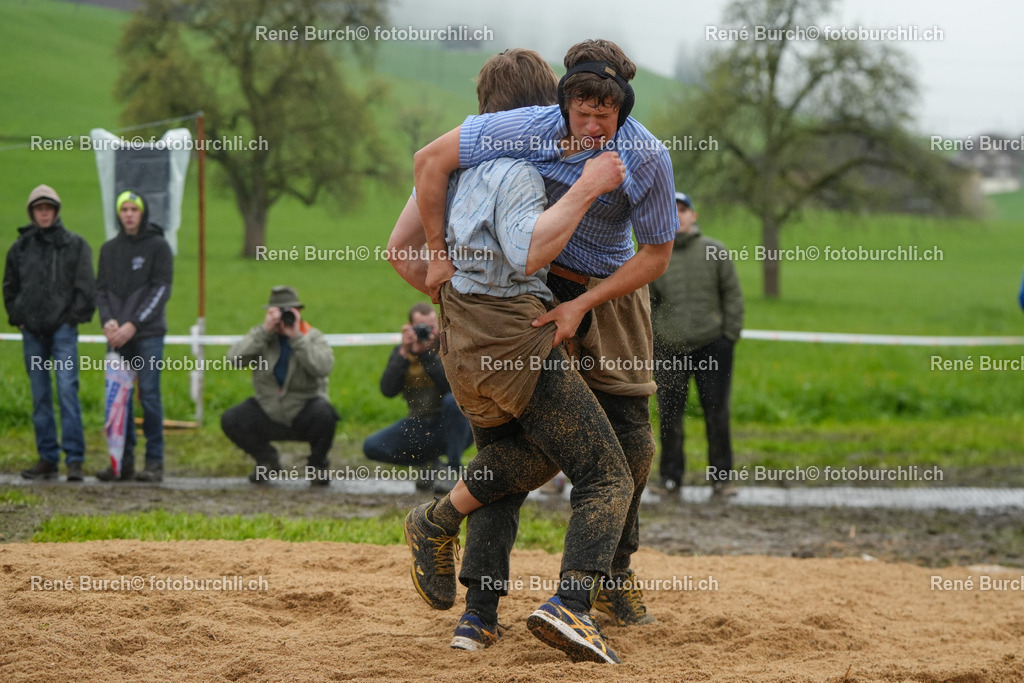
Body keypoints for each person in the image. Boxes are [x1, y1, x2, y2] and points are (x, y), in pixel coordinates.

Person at [396, 38, 678, 636]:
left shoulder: (646, 155)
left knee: (630, 445)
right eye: (580, 104)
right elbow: (424, 180)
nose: (591, 119)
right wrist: (444, 269)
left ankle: (608, 577)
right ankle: (485, 609)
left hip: (607, 292)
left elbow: (656, 256)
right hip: (529, 305)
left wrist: (579, 304)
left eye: (606, 108)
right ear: (560, 97)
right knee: (556, 453)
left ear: (623, 106)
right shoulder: (518, 131)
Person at [650, 192, 744, 498]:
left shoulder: (715, 251)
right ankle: (670, 478)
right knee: (669, 415)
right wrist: (654, 340)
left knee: (717, 413)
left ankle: (721, 479)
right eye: (671, 211)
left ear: (694, 215)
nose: (677, 216)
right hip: (668, 348)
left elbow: (732, 296)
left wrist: (729, 336)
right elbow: (645, 303)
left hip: (712, 345)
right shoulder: (654, 254)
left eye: (683, 210)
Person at [3, 185, 96, 481]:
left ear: (56, 211)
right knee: (40, 395)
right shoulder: (20, 248)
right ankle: (47, 457)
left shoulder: (75, 245)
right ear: (32, 212)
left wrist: (71, 320)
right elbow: (9, 286)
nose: (44, 213)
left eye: (48, 208)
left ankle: (75, 460)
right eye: (38, 208)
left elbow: (85, 287)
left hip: (63, 334)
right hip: (32, 334)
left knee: (68, 391)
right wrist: (18, 317)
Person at [221, 285, 339, 486]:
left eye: (289, 312)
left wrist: (297, 339)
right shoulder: (262, 338)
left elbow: (322, 367)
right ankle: (266, 459)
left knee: (326, 414)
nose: (283, 319)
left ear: (298, 312)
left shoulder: (313, 337)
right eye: (277, 312)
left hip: (304, 409)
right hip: (268, 409)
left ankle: (317, 465)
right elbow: (234, 359)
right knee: (232, 418)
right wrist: (264, 332)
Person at [95, 190, 172, 483]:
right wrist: (109, 323)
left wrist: (133, 325)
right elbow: (101, 291)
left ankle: (154, 462)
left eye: (133, 209)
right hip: (116, 337)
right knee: (119, 400)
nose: (128, 214)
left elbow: (161, 290)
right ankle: (121, 461)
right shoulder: (109, 249)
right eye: (124, 209)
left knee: (149, 396)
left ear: (143, 213)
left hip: (148, 334)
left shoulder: (158, 247)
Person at [362, 302, 473, 493]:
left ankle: (453, 470)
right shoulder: (403, 353)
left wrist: (428, 354)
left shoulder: (448, 348)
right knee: (371, 446)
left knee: (452, 401)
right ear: (409, 327)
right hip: (419, 425)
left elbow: (454, 389)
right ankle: (431, 464)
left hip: (454, 426)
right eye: (421, 327)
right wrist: (404, 353)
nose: (427, 332)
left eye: (431, 327)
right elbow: (387, 390)